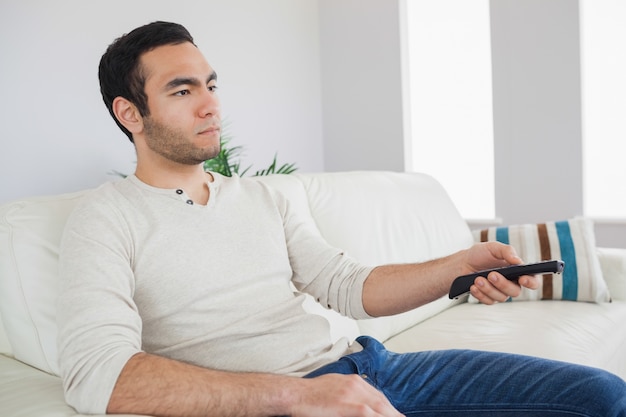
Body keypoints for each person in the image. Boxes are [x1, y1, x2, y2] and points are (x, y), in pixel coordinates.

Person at [56, 21, 626, 417]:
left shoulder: (261, 197)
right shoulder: (104, 221)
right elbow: (97, 375)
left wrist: (461, 262)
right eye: (182, 90)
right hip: (284, 399)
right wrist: (294, 397)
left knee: (606, 396)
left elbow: (348, 287)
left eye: (210, 84)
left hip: (374, 365)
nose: (211, 105)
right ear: (130, 113)